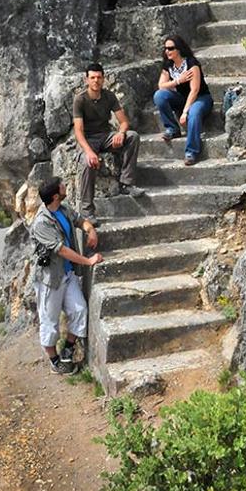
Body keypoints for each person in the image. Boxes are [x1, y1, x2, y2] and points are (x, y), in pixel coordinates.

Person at [30, 176, 101, 375]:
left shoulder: (63, 208)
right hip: (50, 280)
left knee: (79, 310)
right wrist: (88, 262)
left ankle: (67, 348)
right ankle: (54, 361)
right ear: (55, 195)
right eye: (62, 186)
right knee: (49, 321)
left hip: (68, 273)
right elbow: (61, 250)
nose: (65, 187)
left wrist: (91, 231)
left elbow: (80, 221)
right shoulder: (41, 223)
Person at [72, 62, 142, 223]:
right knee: (87, 162)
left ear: (103, 79)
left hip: (105, 135)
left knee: (132, 136)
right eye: (92, 78)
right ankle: (87, 211)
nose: (96, 81)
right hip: (88, 139)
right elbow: (78, 131)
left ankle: (127, 183)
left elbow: (124, 122)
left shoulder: (109, 96)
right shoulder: (80, 100)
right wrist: (89, 152)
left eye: (99, 77)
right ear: (86, 80)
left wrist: (121, 133)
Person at [154, 34, 213, 166]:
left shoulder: (191, 64)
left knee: (194, 112)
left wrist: (185, 112)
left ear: (179, 49)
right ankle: (172, 128)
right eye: (166, 49)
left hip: (201, 98)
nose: (167, 51)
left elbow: (195, 90)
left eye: (171, 48)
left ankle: (191, 151)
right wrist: (178, 81)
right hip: (182, 98)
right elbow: (161, 85)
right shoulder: (168, 65)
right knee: (159, 95)